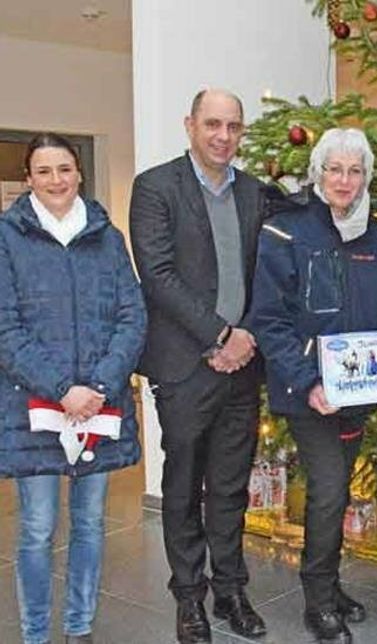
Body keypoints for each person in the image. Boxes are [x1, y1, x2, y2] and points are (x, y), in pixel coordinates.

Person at [249, 127, 377, 644]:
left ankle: (331, 587)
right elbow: (268, 320)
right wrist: (309, 381)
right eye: (335, 169)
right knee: (329, 491)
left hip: (357, 394)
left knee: (334, 495)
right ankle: (318, 600)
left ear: (366, 177)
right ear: (319, 173)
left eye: (355, 171)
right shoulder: (286, 230)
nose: (344, 180)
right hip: (307, 393)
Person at [129, 89, 266, 643]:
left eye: (233, 127)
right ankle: (189, 597)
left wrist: (245, 337)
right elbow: (158, 276)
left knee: (231, 484)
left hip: (243, 364)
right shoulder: (155, 187)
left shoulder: (255, 191)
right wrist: (218, 336)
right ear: (190, 124)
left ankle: (231, 589)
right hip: (187, 363)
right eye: (213, 124)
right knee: (184, 486)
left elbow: (269, 268)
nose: (223, 136)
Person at [0, 133, 146, 644]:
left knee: (89, 524)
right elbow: (5, 327)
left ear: (79, 173)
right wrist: (63, 389)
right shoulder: (6, 237)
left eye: (64, 169)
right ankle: (36, 634)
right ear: (28, 178)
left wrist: (100, 386)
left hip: (98, 408)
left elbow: (133, 316)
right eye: (43, 171)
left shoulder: (109, 237)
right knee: (37, 529)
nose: (55, 180)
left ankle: (78, 628)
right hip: (34, 407)